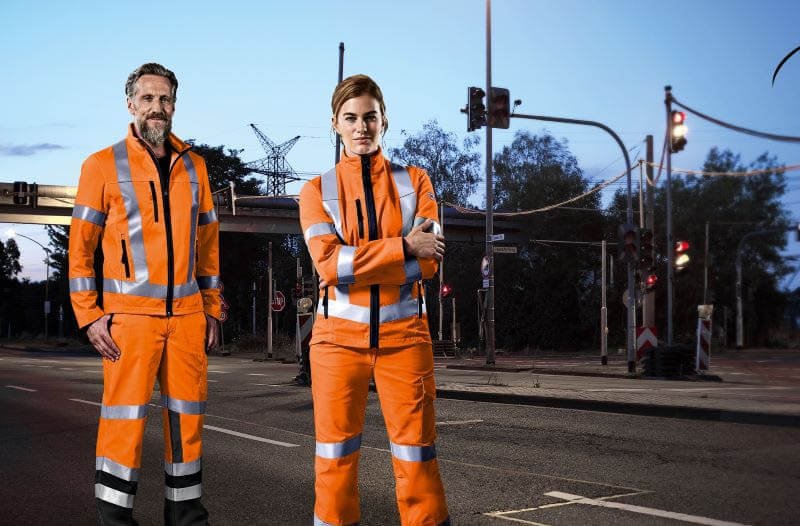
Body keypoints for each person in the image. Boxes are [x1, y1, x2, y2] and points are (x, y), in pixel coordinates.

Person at [69, 62, 220, 525]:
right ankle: (115, 519)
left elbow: (208, 244)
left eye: (165, 99)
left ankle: (186, 516)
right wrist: (89, 314)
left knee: (187, 423)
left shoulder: (195, 166)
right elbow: (81, 251)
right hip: (128, 322)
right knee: (123, 424)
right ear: (130, 103)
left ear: (174, 105)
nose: (157, 107)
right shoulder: (101, 165)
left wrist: (212, 308)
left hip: (188, 318)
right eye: (148, 98)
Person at [299, 74, 450, 526]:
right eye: (351, 118)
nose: (361, 127)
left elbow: (429, 263)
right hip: (335, 344)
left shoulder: (416, 180)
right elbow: (329, 265)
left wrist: (359, 258)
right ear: (335, 124)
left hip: (406, 340)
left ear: (385, 121)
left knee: (417, 459)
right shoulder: (315, 191)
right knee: (335, 461)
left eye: (370, 117)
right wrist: (403, 246)